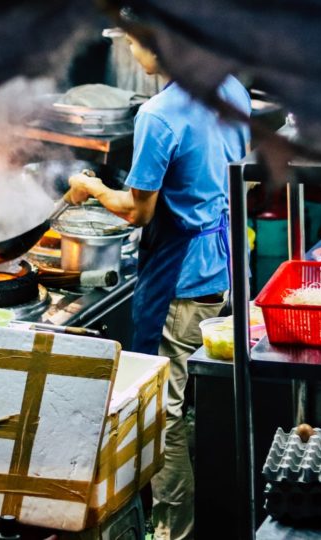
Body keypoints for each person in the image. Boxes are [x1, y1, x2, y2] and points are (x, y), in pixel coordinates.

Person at [63, 33, 250, 540]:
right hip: (225, 266)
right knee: (196, 400)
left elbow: (138, 211)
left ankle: (174, 530)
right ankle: (208, 515)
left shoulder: (159, 115)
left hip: (181, 279)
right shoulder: (229, 88)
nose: (130, 50)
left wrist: (94, 187)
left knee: (161, 417)